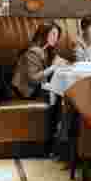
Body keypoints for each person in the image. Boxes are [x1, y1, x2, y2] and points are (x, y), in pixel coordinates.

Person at [12, 23, 69, 155]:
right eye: (53, 34)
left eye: (57, 35)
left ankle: (59, 141)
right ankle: (55, 143)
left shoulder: (48, 50)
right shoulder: (33, 52)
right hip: (25, 90)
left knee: (61, 94)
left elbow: (58, 62)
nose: (56, 38)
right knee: (59, 95)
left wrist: (63, 63)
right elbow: (33, 78)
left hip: (38, 87)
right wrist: (53, 67)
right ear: (43, 35)